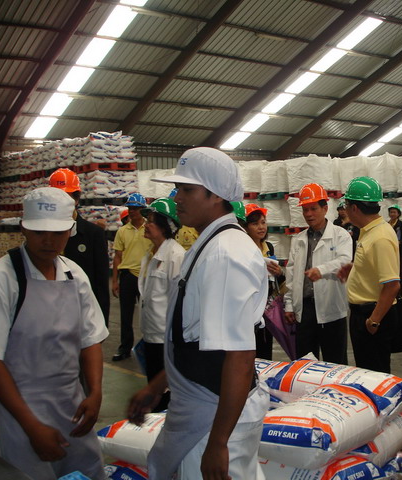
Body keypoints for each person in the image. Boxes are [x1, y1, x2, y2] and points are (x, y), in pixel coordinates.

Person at [127, 147, 269, 480]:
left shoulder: (225, 255)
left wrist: (219, 442)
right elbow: (194, 336)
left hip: (215, 416)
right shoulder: (210, 244)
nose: (177, 197)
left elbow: (239, 356)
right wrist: (158, 386)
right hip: (203, 405)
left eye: (187, 189)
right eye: (178, 188)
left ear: (215, 195)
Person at [0, 187, 108, 480]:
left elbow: (90, 339)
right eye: (39, 232)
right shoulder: (1, 279)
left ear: (70, 230)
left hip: (73, 406)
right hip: (22, 411)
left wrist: (95, 393)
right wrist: (31, 427)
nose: (48, 240)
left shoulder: (74, 275)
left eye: (57, 233)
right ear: (23, 229)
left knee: (87, 472)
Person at [337, 177, 400, 374]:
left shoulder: (380, 237)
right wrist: (356, 268)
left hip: (372, 315)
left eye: (346, 206)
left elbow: (392, 285)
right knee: (366, 371)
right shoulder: (369, 231)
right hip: (363, 312)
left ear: (354, 208)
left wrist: (373, 321)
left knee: (374, 374)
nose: (345, 210)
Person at [284, 183, 352, 364]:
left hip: (331, 308)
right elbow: (291, 274)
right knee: (305, 363)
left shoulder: (340, 235)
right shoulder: (298, 239)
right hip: (305, 309)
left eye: (313, 209)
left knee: (335, 363)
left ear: (325, 208)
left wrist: (321, 270)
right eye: (305, 210)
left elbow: (345, 261)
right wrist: (289, 304)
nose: (309, 214)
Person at [138, 197, 185, 412]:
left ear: (166, 226)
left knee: (165, 394)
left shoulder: (176, 255)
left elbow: (180, 302)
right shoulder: (151, 254)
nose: (146, 225)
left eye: (151, 221)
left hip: (165, 339)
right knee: (154, 390)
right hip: (151, 335)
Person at [49, 168, 110, 325]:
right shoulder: (44, 235)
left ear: (76, 199)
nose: (60, 203)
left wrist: (101, 323)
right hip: (51, 311)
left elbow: (101, 283)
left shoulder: (93, 234)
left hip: (83, 313)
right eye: (56, 197)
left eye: (65, 197)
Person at [111, 193, 153, 361]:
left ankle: (149, 346)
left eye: (135, 208)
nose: (132, 211)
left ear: (143, 210)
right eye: (130, 208)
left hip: (146, 276)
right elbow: (117, 257)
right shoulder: (122, 231)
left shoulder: (150, 229)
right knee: (126, 315)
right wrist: (115, 281)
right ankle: (125, 347)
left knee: (148, 314)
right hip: (127, 275)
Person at [244, 203, 284, 360]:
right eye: (255, 224)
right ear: (246, 227)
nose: (261, 227)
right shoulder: (243, 249)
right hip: (250, 308)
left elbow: (277, 281)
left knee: (265, 350)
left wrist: (279, 272)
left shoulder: (268, 247)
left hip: (267, 308)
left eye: (263, 222)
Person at [387, 204, 402, 290]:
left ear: (398, 214)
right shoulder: (386, 224)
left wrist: (398, 242)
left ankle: (399, 291)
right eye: (391, 212)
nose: (392, 214)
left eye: (394, 212)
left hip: (398, 251)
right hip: (388, 251)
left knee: (399, 272)